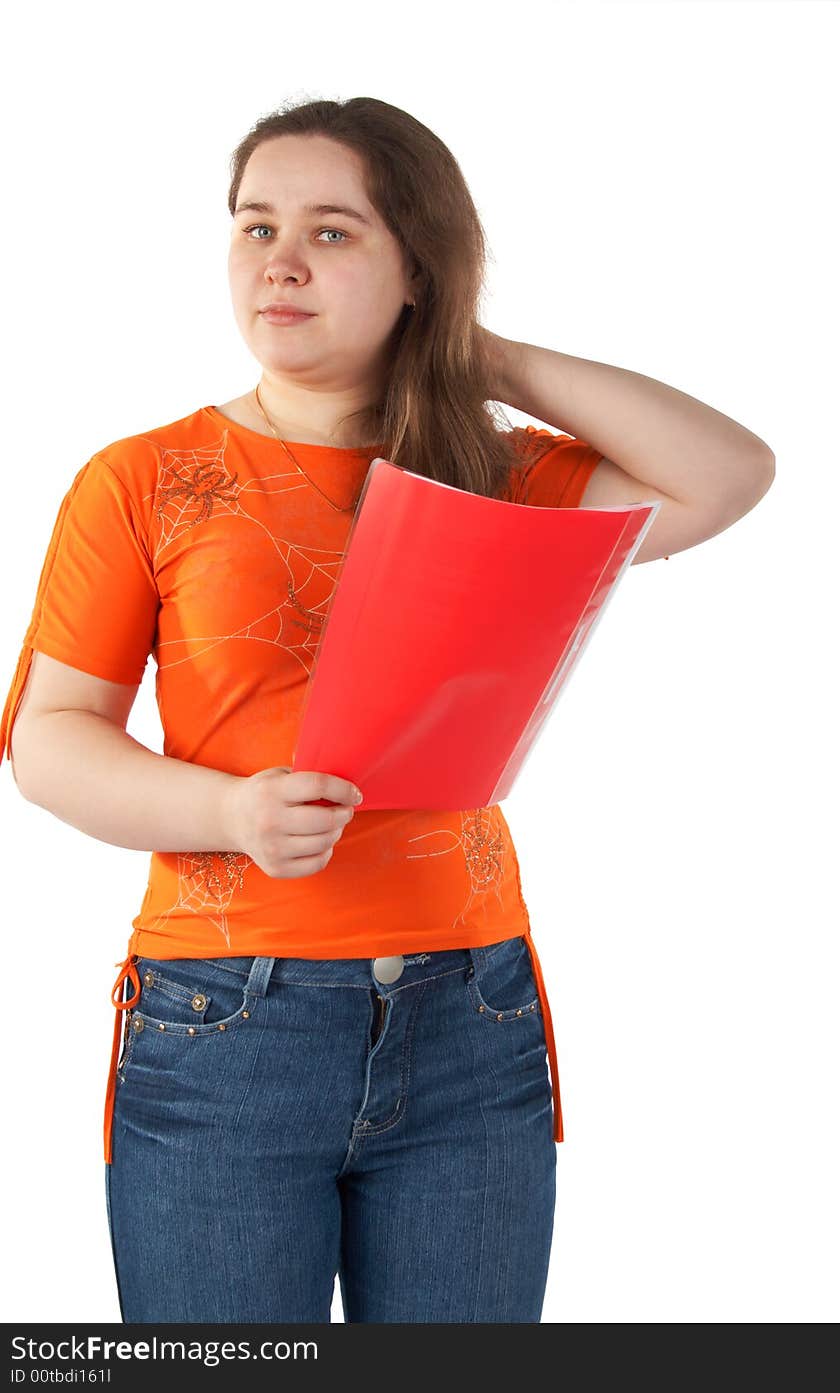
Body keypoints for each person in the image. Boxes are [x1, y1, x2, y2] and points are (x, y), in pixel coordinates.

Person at [0, 98, 612, 1324]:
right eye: (254, 225)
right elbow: (48, 738)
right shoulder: (144, 478)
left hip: (470, 1014)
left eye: (333, 232)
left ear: (416, 271)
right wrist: (227, 807)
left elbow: (725, 474)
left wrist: (474, 356)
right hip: (227, 1023)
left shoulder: (493, 471)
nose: (277, 259)